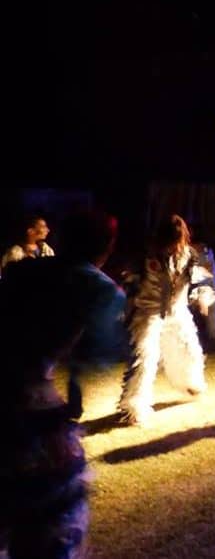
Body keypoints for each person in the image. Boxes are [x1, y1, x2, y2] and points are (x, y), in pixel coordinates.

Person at [0, 210, 126, 558]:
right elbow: (98, 354)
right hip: (29, 406)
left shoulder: (19, 270)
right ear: (108, 246)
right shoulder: (100, 289)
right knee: (54, 517)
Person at [118, 215, 215, 426]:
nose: (174, 246)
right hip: (148, 311)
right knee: (144, 357)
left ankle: (189, 382)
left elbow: (203, 279)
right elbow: (129, 280)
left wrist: (203, 297)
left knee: (190, 349)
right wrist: (126, 300)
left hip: (177, 310)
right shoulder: (146, 256)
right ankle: (133, 407)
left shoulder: (189, 256)